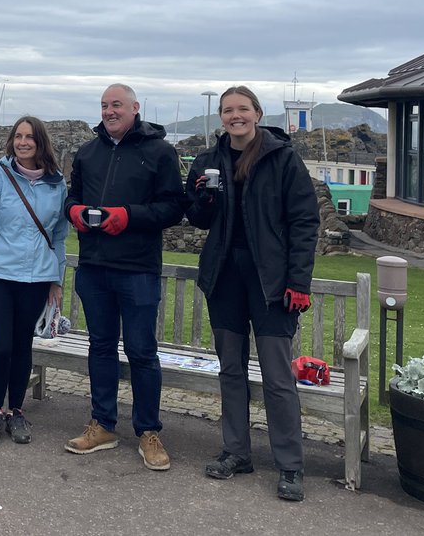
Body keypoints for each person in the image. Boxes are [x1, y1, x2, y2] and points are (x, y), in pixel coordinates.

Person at [185, 85, 319, 502]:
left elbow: (304, 222)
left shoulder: (282, 158)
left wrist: (298, 282)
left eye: (242, 109)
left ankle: (290, 465)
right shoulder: (209, 160)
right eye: (228, 110)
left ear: (257, 113)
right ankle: (236, 452)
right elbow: (199, 219)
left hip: (273, 283)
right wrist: (202, 197)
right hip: (225, 278)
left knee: (279, 378)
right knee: (231, 370)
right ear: (221, 117)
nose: (234, 116)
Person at [63, 83, 185, 470]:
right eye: (103, 105)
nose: (109, 111)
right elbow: (71, 197)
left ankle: (148, 432)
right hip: (95, 266)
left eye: (116, 105)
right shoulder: (87, 152)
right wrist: (75, 213)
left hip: (137, 269)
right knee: (100, 347)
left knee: (142, 352)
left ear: (135, 108)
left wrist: (128, 216)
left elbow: (172, 208)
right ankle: (102, 425)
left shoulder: (160, 151)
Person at [0, 115, 67, 446]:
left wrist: (58, 279)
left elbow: (59, 236)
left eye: (29, 137)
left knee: (23, 345)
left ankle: (17, 412)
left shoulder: (57, 184)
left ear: (40, 143)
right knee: (3, 345)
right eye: (18, 136)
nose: (23, 142)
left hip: (38, 275)